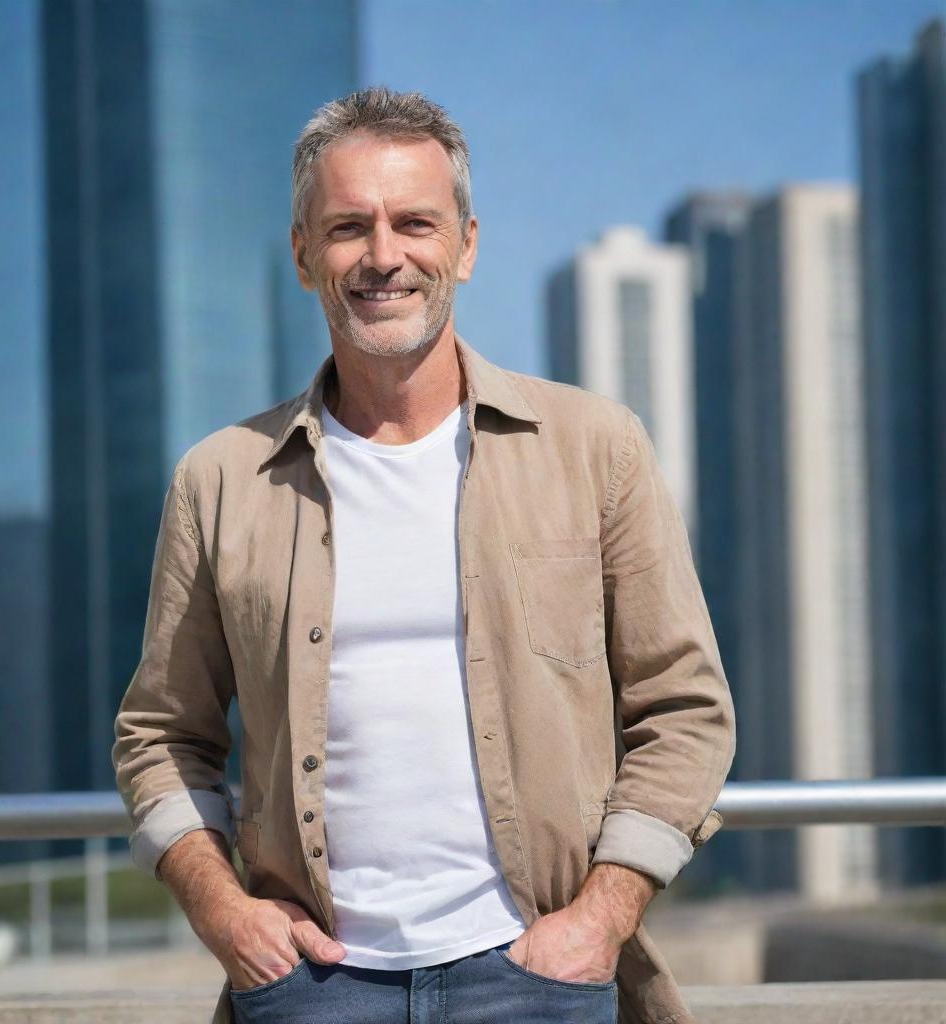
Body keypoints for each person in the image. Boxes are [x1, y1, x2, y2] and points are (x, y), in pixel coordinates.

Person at [112, 86, 735, 1024]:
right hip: (311, 989)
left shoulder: (594, 447)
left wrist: (601, 919)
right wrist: (224, 913)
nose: (383, 255)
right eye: (347, 227)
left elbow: (684, 708)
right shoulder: (221, 480)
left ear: (467, 246)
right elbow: (159, 735)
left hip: (539, 975)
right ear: (302, 255)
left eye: (415, 222)